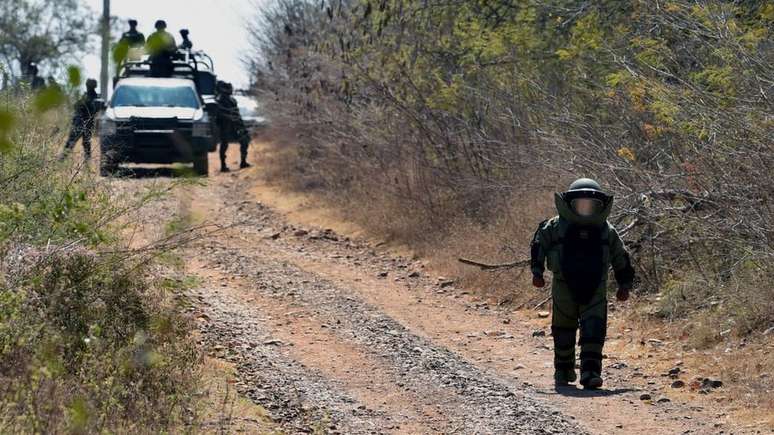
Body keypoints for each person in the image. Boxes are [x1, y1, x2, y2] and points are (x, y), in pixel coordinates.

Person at [530, 178, 635, 389]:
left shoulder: (607, 231)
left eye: (591, 205)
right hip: (563, 286)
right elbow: (538, 245)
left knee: (594, 328)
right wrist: (537, 272)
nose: (585, 209)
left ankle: (590, 372)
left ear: (600, 206)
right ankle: (563, 370)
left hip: (596, 287)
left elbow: (621, 258)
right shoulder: (554, 226)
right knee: (563, 329)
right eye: (580, 204)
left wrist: (624, 285)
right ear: (569, 204)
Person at [216, 81, 251, 172]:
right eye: (228, 88)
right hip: (225, 125)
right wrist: (230, 117)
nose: (230, 90)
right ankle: (223, 166)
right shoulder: (219, 100)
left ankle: (243, 162)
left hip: (235, 125)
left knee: (245, 140)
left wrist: (241, 125)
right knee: (224, 144)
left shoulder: (232, 100)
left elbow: (237, 113)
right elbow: (219, 113)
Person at [62, 79, 101, 161]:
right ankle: (63, 158)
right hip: (81, 123)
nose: (88, 86)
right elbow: (76, 106)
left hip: (84, 123)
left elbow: (93, 109)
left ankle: (86, 162)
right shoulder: (87, 96)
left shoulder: (94, 98)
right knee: (75, 142)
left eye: (89, 85)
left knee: (84, 143)